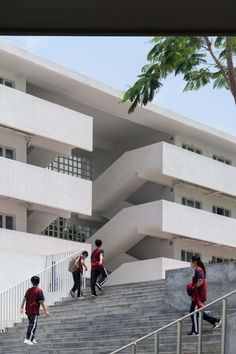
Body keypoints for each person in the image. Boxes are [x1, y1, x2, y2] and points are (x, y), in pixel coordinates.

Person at [187, 255, 221, 335]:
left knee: (193, 312)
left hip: (198, 296)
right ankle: (215, 320)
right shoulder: (198, 270)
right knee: (197, 313)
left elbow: (200, 281)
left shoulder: (198, 270)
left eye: (190, 262)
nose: (190, 263)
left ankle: (195, 331)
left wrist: (192, 288)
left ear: (194, 262)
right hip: (197, 295)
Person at [20, 275, 50, 345]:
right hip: (34, 311)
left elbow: (24, 299)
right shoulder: (39, 291)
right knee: (32, 325)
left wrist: (21, 307)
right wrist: (46, 311)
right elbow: (41, 302)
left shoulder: (28, 290)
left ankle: (32, 338)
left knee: (33, 324)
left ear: (31, 282)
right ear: (38, 282)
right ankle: (27, 339)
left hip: (28, 310)